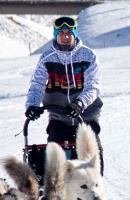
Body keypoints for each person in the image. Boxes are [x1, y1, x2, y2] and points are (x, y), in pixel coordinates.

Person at [25, 16, 104, 168]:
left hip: (86, 118)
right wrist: (32, 105)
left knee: (93, 164)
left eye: (69, 33)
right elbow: (37, 84)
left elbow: (93, 85)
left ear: (75, 34)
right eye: (61, 33)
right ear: (55, 35)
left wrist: (79, 103)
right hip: (59, 118)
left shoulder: (88, 56)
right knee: (55, 166)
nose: (65, 37)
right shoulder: (47, 58)